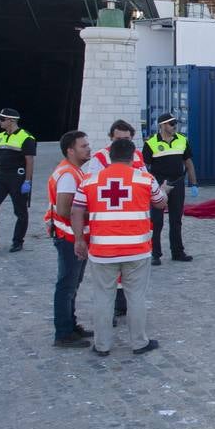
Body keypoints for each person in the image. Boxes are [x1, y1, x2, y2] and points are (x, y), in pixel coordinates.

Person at [70, 138, 167, 357]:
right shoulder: (145, 179)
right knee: (136, 297)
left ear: (109, 155)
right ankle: (139, 343)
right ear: (133, 156)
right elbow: (161, 203)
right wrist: (164, 193)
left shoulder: (89, 180)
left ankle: (102, 345)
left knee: (103, 297)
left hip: (102, 251)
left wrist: (78, 240)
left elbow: (76, 211)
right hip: (137, 250)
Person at [47, 130, 93, 347]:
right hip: (69, 237)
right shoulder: (68, 175)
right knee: (67, 284)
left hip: (69, 236)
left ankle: (70, 326)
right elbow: (65, 210)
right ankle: (63, 333)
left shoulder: (73, 171)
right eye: (83, 146)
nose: (88, 148)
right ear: (70, 150)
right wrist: (93, 214)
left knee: (72, 283)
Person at [0, 108, 36, 252]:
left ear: (11, 121)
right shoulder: (0, 136)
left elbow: (30, 161)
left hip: (17, 177)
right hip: (0, 176)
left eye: (2, 119)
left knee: (20, 211)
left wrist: (27, 182)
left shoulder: (26, 137)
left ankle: (17, 241)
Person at [143, 112, 198, 265]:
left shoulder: (182, 140)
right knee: (157, 220)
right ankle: (155, 254)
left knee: (176, 220)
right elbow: (144, 167)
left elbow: (188, 163)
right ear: (162, 125)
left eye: (175, 123)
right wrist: (151, 186)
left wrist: (193, 183)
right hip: (158, 184)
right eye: (171, 123)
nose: (175, 126)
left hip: (177, 183)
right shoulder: (151, 143)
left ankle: (177, 252)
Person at [83, 119, 147, 175]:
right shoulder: (100, 156)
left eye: (126, 139)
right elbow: (91, 181)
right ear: (111, 137)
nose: (122, 142)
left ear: (132, 137)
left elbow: (145, 177)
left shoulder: (138, 154)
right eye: (118, 139)